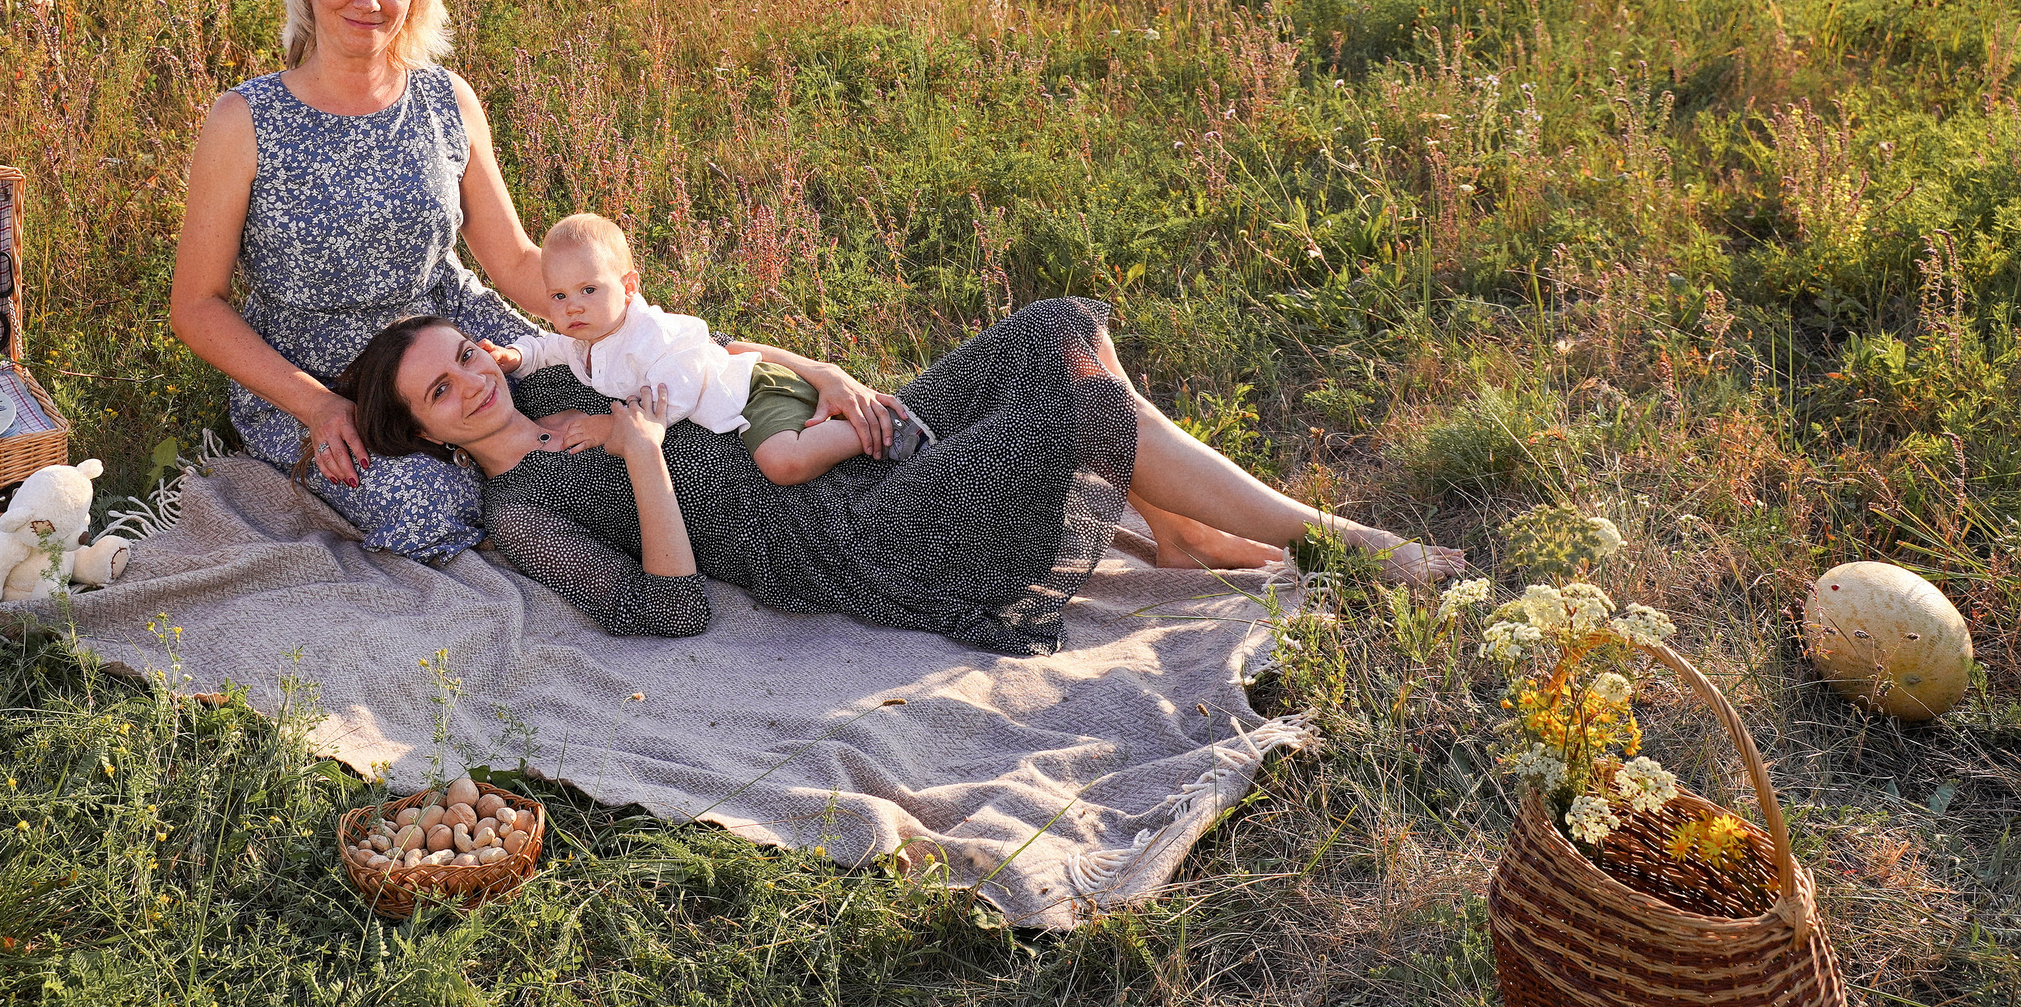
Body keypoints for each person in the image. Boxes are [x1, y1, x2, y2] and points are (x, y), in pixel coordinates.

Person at [169, 0, 905, 556]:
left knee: (630, 394)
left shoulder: (443, 99)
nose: (368, 2)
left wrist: (670, 332)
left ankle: (803, 486)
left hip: (460, 343)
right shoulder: (246, 118)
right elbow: (197, 307)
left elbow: (521, 263)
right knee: (433, 508)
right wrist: (319, 406)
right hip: (318, 372)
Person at [340, 300, 1465, 655]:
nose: (468, 386)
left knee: (1055, 329)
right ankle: (1345, 544)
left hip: (835, 455)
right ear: (427, 436)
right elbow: (669, 609)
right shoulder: (518, 513)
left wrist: (818, 370)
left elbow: (703, 353)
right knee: (1083, 409)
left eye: (460, 359)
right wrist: (642, 463)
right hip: (842, 540)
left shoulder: (560, 374)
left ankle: (1172, 530)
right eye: (439, 394)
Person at [484, 212, 911, 487]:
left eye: (588, 289)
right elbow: (551, 347)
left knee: (783, 463)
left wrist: (610, 428)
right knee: (787, 461)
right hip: (738, 402)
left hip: (753, 391)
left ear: (629, 288)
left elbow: (675, 395)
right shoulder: (587, 336)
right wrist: (517, 357)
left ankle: (879, 428)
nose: (572, 306)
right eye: (558, 296)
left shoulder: (650, 333)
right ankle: (838, 431)